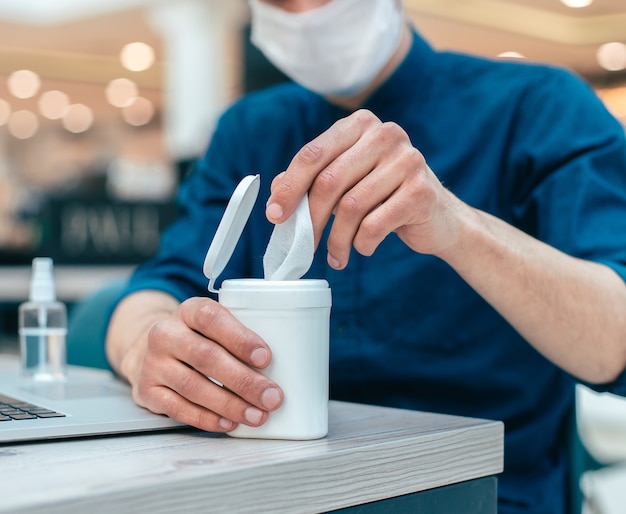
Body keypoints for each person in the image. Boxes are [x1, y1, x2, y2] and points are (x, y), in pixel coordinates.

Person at [105, 0, 626, 512]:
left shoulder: (539, 106)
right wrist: (144, 347)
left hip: (487, 492)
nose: (307, 13)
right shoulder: (247, 130)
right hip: (273, 488)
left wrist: (456, 226)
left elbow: (615, 340)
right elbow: (161, 284)